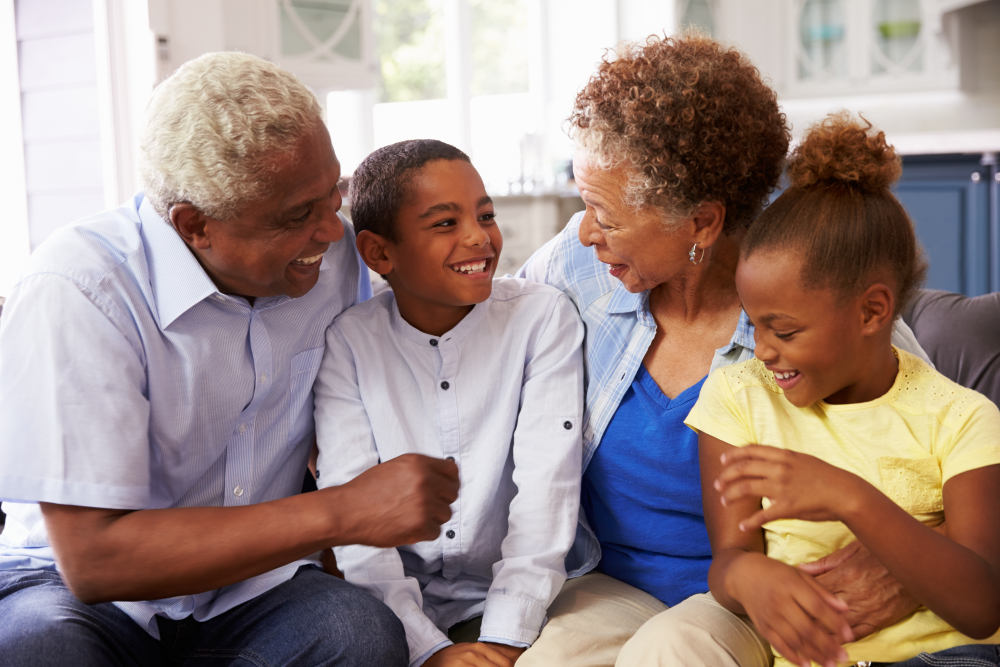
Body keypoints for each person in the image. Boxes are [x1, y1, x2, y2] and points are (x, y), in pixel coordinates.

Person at [0, 52, 459, 666]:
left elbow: (449, 308)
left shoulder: (332, 258)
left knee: (361, 635)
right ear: (194, 226)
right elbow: (95, 559)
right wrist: (345, 510)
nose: (331, 230)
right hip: (75, 597)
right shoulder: (81, 289)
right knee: (41, 649)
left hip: (250, 588)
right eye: (299, 215)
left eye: (335, 195)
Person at [516, 34, 933, 666]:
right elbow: (476, 348)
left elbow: (949, 448)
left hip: (752, 598)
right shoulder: (576, 268)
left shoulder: (808, 307)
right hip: (606, 580)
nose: (584, 231)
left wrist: (912, 563)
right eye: (584, 202)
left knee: (671, 655)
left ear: (703, 224)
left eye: (605, 213)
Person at [689, 113, 1000, 667]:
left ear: (872, 311)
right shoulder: (739, 398)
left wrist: (849, 498)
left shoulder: (962, 419)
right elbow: (729, 558)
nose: (761, 349)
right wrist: (746, 575)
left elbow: (981, 606)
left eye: (784, 330)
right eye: (753, 323)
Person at [314, 139, 584, 667]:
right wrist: (429, 650)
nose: (478, 238)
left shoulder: (541, 320)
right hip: (390, 614)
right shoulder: (347, 342)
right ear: (378, 253)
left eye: (486, 215)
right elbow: (356, 520)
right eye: (444, 223)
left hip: (521, 600)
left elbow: (546, 493)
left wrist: (505, 640)